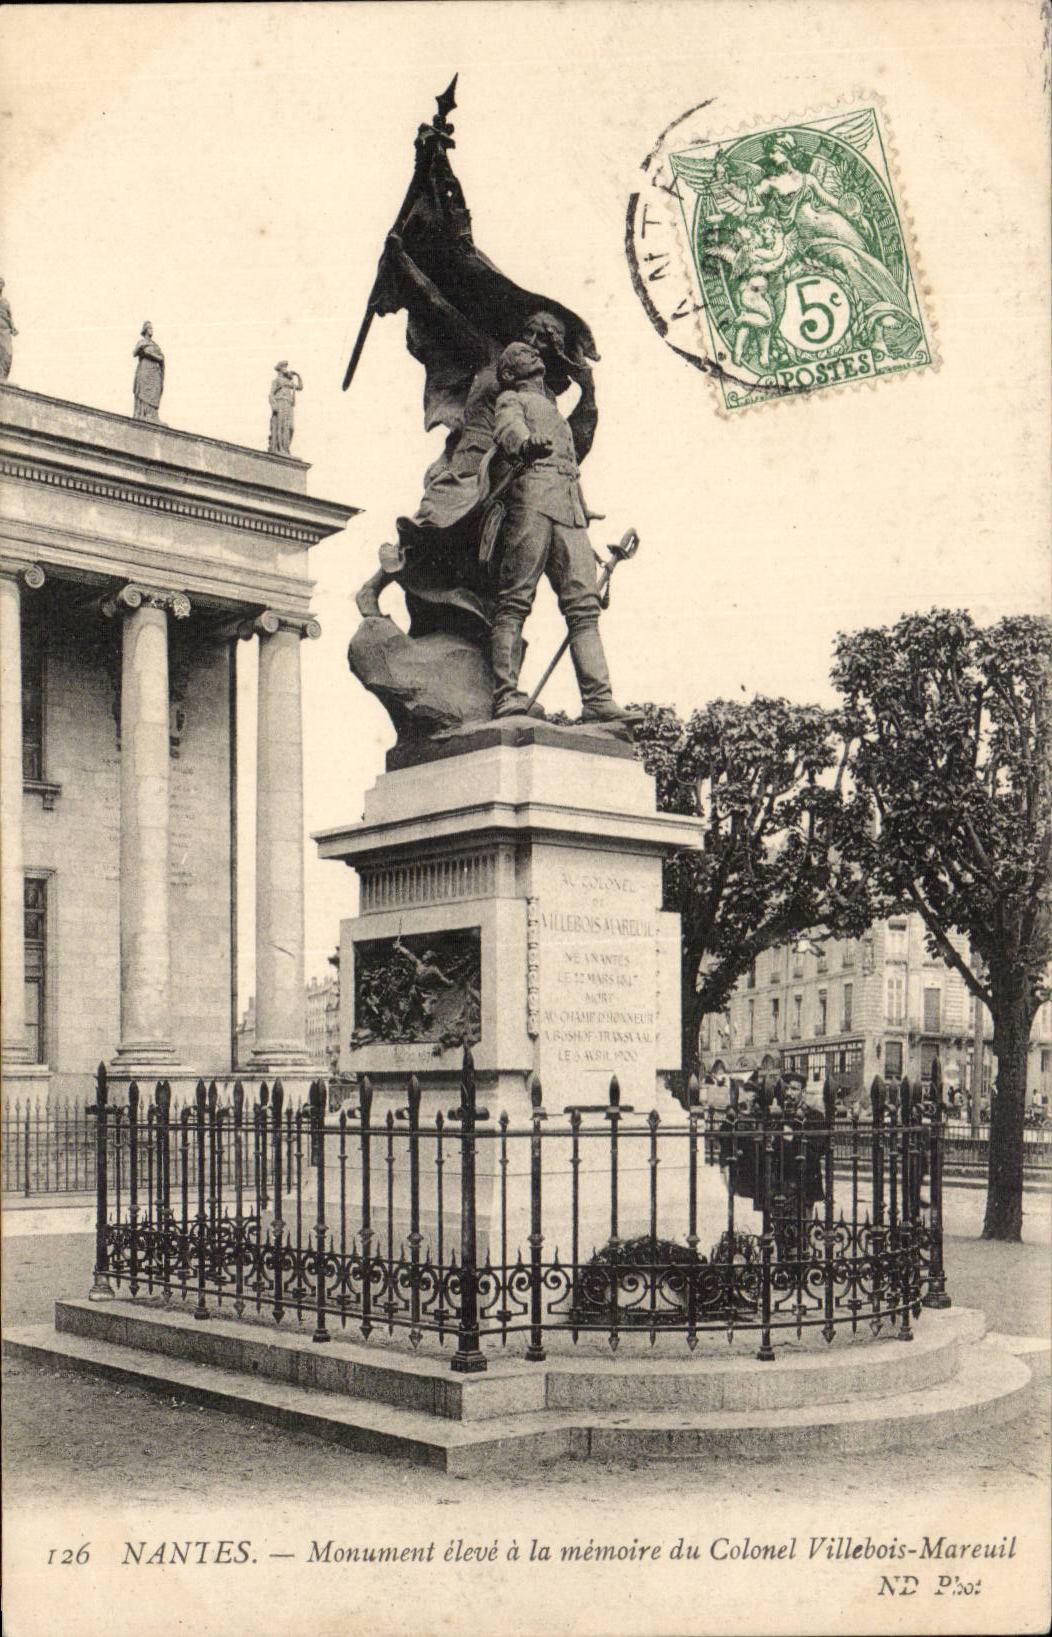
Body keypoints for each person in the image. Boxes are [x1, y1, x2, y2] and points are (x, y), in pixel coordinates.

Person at [487, 340, 628, 721]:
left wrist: (589, 390)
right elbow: (507, 429)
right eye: (520, 354)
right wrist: (524, 442)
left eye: (533, 352)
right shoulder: (512, 400)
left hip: (569, 508)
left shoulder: (552, 409)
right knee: (515, 599)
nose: (532, 353)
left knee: (584, 606)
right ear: (508, 373)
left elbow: (574, 453)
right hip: (531, 498)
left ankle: (598, 700)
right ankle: (506, 694)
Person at [268, 361, 303, 455]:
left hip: (288, 404)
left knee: (290, 427)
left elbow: (300, 387)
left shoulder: (288, 381)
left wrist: (298, 376)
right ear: (280, 369)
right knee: (281, 426)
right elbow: (271, 394)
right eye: (284, 367)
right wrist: (274, 405)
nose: (286, 369)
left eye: (286, 367)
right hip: (280, 403)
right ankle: (280, 448)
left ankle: (286, 447)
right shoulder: (276, 381)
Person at [132, 323, 165, 422]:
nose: (152, 330)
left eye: (152, 328)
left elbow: (161, 358)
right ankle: (143, 414)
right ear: (145, 330)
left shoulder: (156, 345)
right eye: (150, 328)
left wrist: (150, 354)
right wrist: (146, 352)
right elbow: (135, 352)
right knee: (143, 391)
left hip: (155, 372)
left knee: (154, 391)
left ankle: (153, 415)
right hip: (145, 369)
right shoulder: (141, 342)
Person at [0, 279, 17, 382]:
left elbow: (9, 316)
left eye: (1, 285)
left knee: (7, 353)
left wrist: (13, 327)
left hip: (5, 329)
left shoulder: (5, 301)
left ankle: (2, 376)